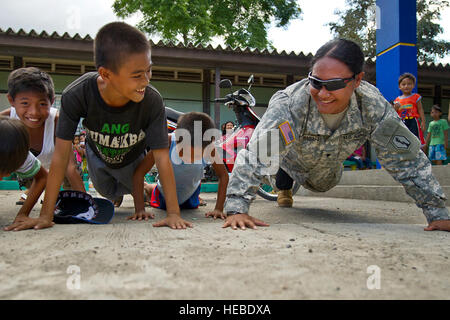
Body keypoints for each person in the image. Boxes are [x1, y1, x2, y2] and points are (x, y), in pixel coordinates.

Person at [222, 38, 450, 232]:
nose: (323, 94)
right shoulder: (290, 104)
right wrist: (236, 209)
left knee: (324, 183)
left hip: (327, 172)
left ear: (358, 80)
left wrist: (437, 213)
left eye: (334, 84)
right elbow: (257, 153)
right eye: (316, 82)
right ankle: (284, 179)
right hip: (289, 158)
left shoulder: (372, 106)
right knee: (276, 150)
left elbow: (407, 160)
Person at [9, 21, 189, 231]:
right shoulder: (77, 93)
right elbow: (60, 157)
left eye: (149, 71)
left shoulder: (151, 100)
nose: (146, 81)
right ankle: (122, 192)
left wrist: (173, 214)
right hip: (98, 156)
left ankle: (146, 190)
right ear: (106, 74)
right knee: (107, 192)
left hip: (132, 156)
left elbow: (161, 156)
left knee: (133, 185)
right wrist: (45, 216)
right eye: (137, 75)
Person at [0, 67, 85, 205]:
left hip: (58, 169)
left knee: (71, 187)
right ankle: (36, 191)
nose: (34, 112)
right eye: (25, 103)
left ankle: (56, 194)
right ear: (11, 100)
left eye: (42, 104)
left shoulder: (57, 121)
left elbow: (70, 167)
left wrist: (86, 204)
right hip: (30, 173)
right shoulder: (4, 121)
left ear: (51, 101)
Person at [129, 112, 229, 222]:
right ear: (176, 137)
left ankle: (195, 196)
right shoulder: (166, 142)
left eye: (195, 156)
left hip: (191, 194)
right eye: (185, 153)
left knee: (188, 206)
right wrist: (139, 209)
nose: (189, 159)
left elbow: (223, 175)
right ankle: (148, 188)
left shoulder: (210, 149)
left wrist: (218, 209)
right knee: (156, 196)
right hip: (163, 195)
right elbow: (139, 173)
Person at [0, 117, 49, 231]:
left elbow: (42, 177)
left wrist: (23, 213)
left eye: (10, 170)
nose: (6, 176)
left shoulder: (20, 155)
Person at [393, 73, 426, 146]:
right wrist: (395, 107)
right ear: (399, 86)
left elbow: (420, 109)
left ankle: (418, 153)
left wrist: (423, 122)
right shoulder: (397, 100)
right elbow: (394, 113)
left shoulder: (416, 97)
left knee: (416, 139)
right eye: (403, 84)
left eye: (409, 84)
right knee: (403, 139)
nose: (406, 86)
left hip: (413, 121)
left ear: (413, 85)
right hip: (402, 122)